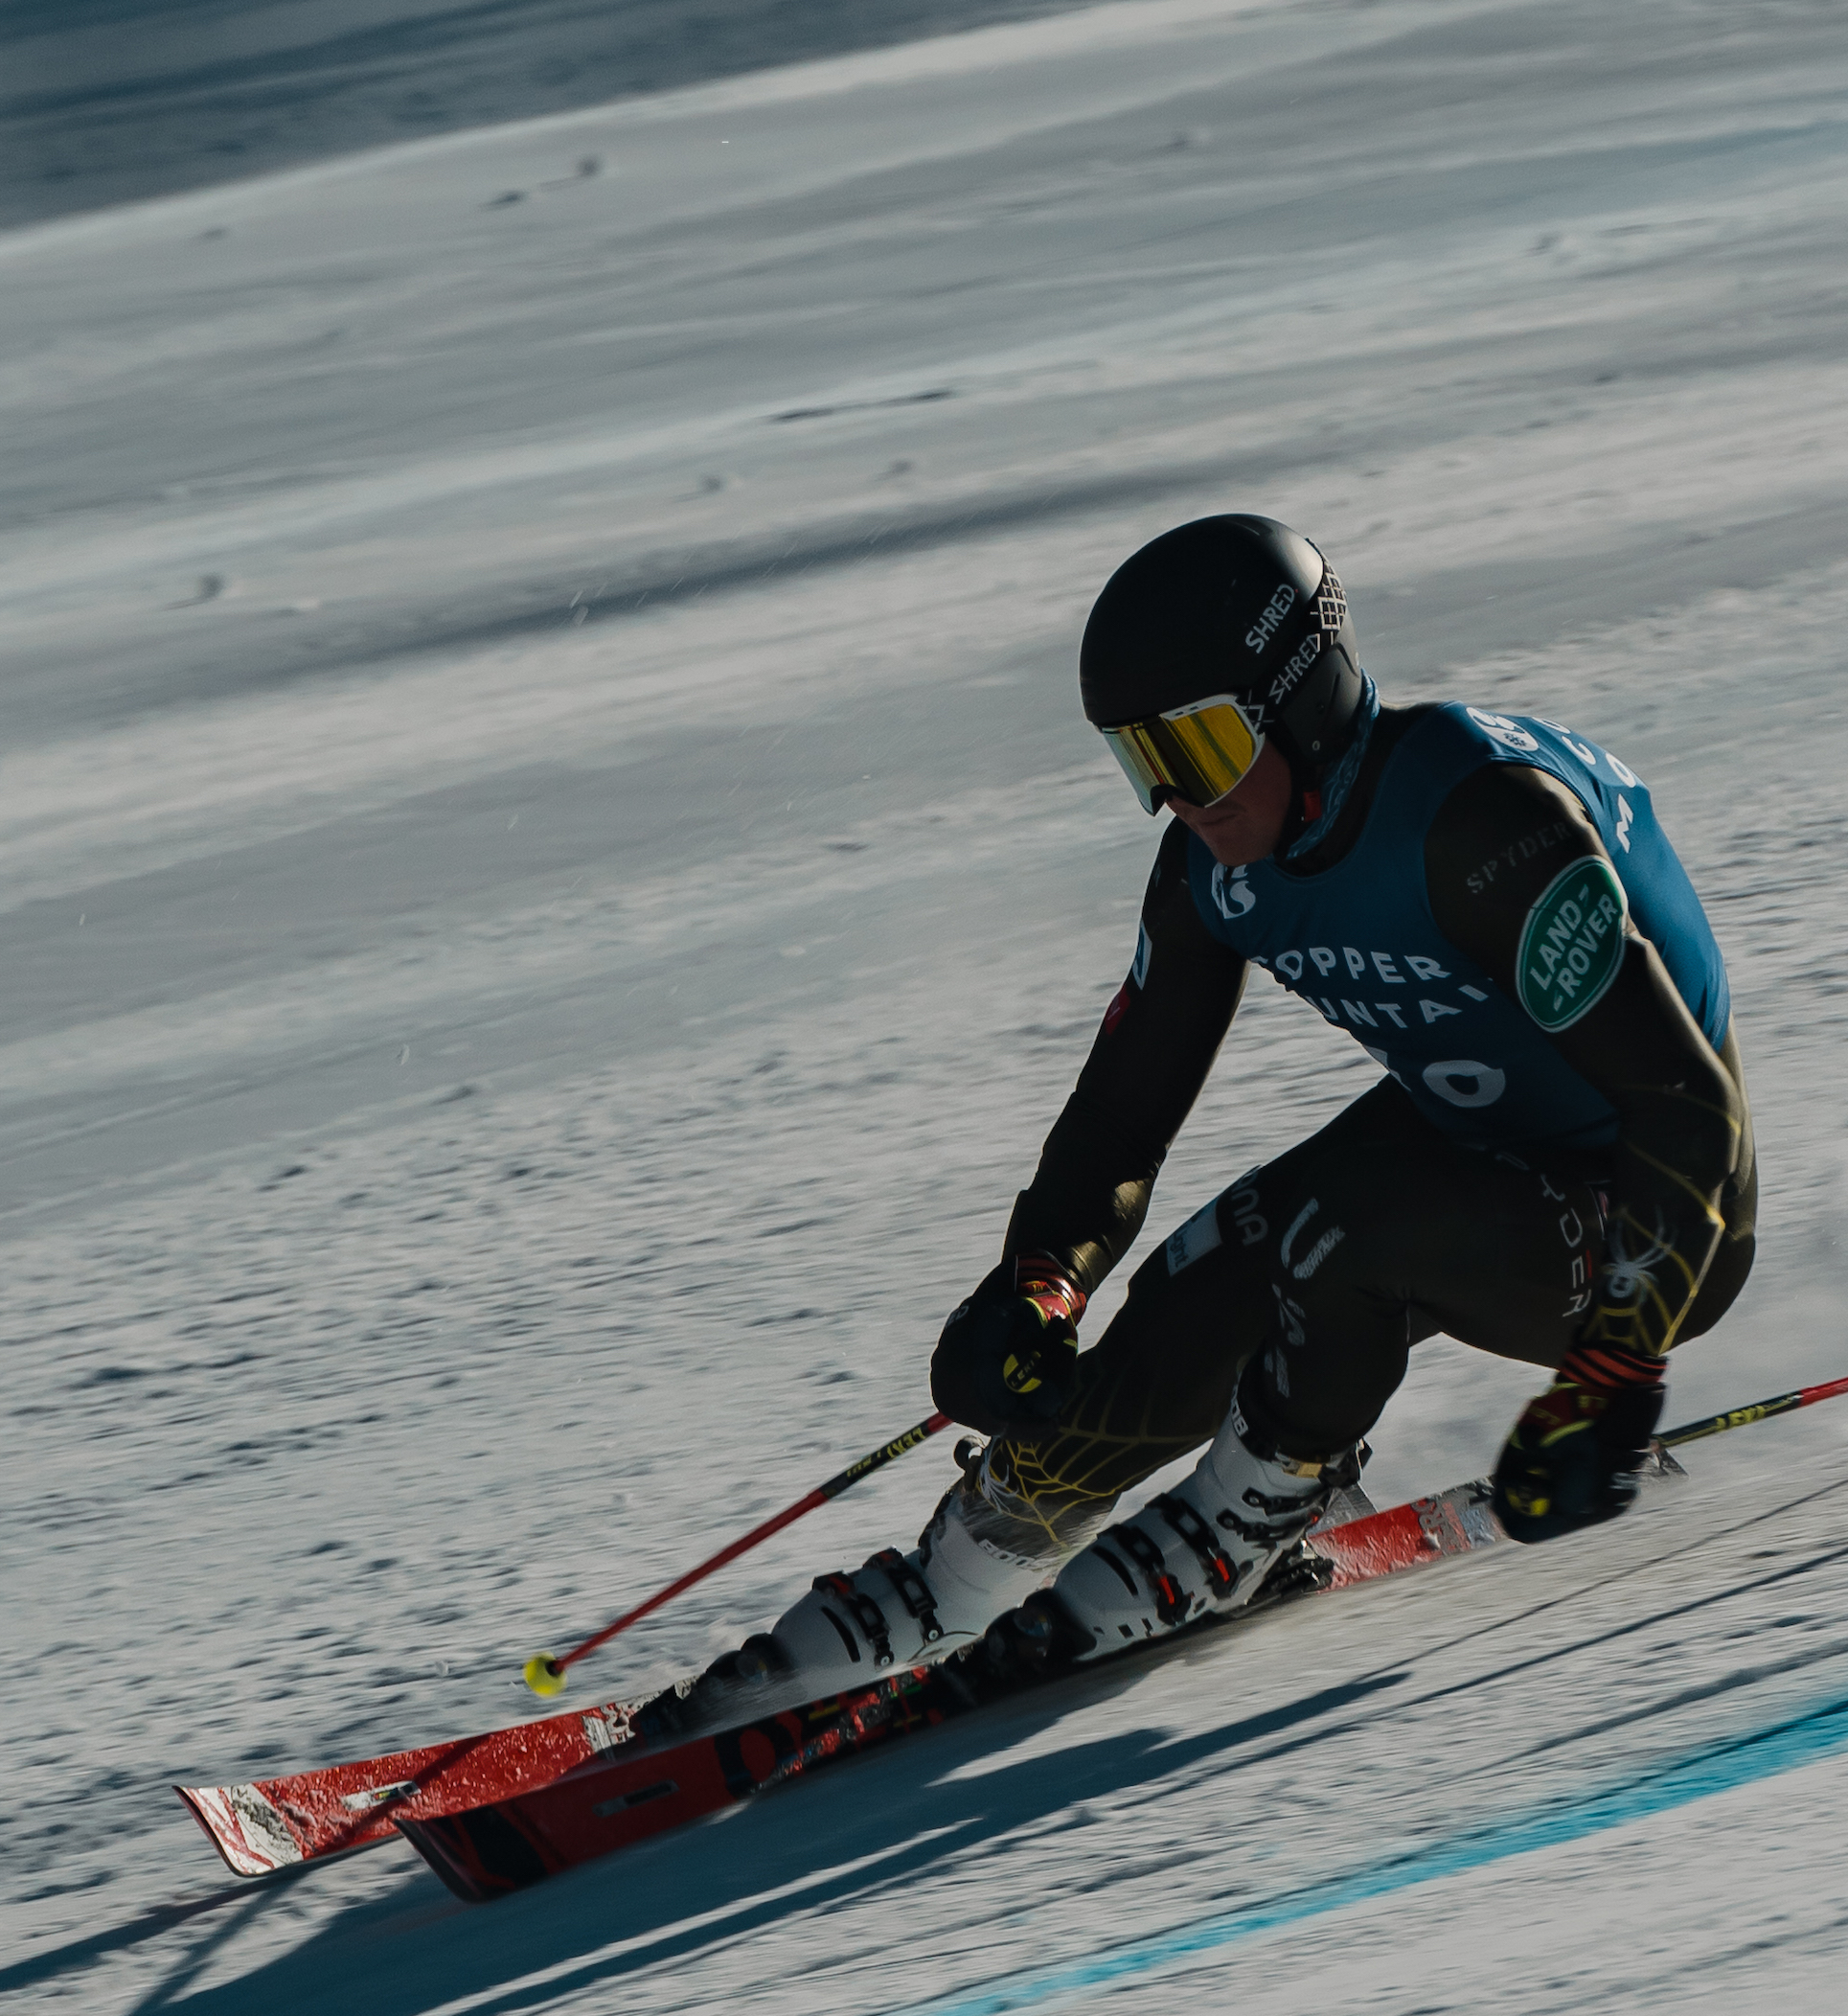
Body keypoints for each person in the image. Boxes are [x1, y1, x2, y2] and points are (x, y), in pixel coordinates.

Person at [634, 514, 1753, 1734]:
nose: (1176, 792)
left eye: (1203, 745)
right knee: (1199, 1290)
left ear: (1298, 703)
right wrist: (1037, 1288)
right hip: (1467, 1145)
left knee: (1339, 1234)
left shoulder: (1478, 820)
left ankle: (1262, 1504)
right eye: (1141, 758)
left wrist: (1610, 1371)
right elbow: (1123, 1113)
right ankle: (961, 1572)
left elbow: (1688, 1111)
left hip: (1653, 1208)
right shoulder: (1213, 870)